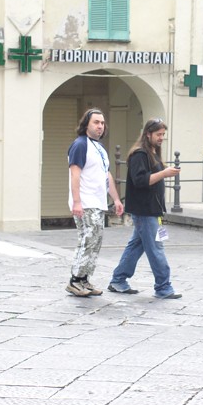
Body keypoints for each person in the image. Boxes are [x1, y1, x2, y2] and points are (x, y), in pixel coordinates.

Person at [108, 118, 182, 299]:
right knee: (156, 248)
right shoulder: (140, 154)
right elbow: (140, 181)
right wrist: (164, 173)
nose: (161, 138)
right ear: (148, 134)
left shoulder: (152, 152)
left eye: (163, 134)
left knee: (136, 246)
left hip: (152, 210)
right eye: (158, 134)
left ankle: (118, 280)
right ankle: (163, 287)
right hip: (144, 210)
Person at [66, 108, 124, 297]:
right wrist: (76, 202)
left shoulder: (99, 148)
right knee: (88, 239)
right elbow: (75, 174)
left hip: (98, 202)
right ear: (86, 124)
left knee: (95, 240)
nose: (100, 126)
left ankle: (84, 279)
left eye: (102, 123)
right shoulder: (80, 145)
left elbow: (106, 175)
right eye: (96, 122)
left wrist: (115, 198)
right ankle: (75, 280)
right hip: (86, 200)